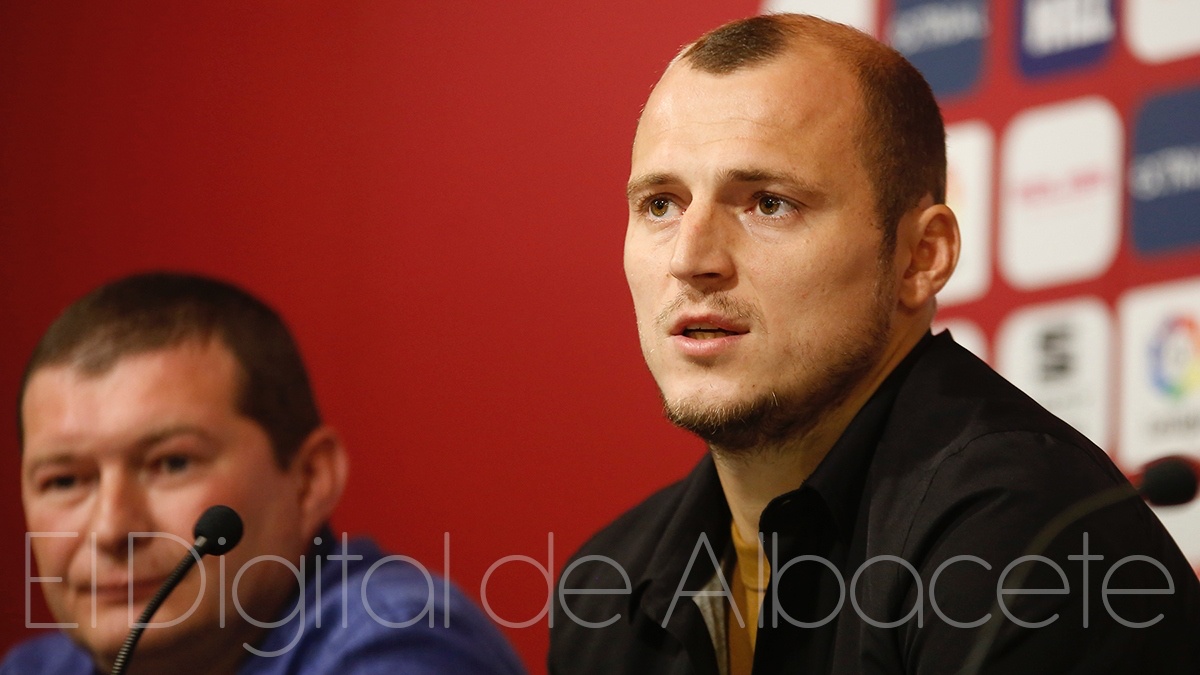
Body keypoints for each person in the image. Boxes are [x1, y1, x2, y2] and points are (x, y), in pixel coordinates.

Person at [549, 13, 1200, 674]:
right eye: (661, 204)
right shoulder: (607, 587)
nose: (690, 258)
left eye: (768, 203)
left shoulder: (1031, 538)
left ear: (921, 256)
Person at [3, 272, 526, 675]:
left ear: (310, 479)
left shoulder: (400, 640)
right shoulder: (36, 667)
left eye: (172, 464)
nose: (112, 529)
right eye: (65, 481)